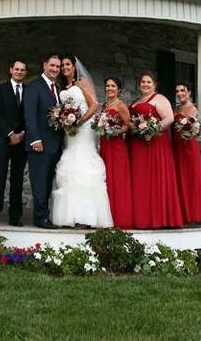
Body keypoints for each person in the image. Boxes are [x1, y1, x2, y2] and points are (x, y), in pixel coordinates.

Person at [50, 56, 112, 228]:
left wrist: (80, 121)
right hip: (69, 133)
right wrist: (64, 121)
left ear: (74, 67)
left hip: (84, 129)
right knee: (69, 168)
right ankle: (69, 216)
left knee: (83, 167)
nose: (64, 67)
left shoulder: (82, 83)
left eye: (67, 64)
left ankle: (86, 217)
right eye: (62, 65)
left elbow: (94, 105)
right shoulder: (61, 88)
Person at [129, 73, 183, 229]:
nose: (145, 84)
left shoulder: (160, 98)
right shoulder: (137, 101)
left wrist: (152, 131)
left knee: (155, 178)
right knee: (141, 180)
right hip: (138, 146)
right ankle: (142, 219)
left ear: (154, 84)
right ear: (139, 84)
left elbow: (169, 118)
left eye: (148, 82)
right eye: (143, 82)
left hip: (155, 144)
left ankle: (158, 218)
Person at [23, 54, 64, 229]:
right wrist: (35, 140)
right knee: (39, 182)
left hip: (55, 144)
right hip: (39, 144)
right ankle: (40, 218)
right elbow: (29, 115)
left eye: (58, 67)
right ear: (44, 65)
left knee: (47, 182)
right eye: (52, 65)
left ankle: (44, 215)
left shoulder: (57, 89)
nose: (55, 69)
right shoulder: (34, 86)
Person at [0, 59, 28, 227]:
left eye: (22, 70)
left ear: (25, 72)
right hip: (3, 139)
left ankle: (15, 216)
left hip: (22, 139)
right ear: (10, 70)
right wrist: (10, 134)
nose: (19, 72)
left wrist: (22, 133)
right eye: (16, 69)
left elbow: (30, 114)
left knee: (17, 179)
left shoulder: (29, 91)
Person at [99, 76, 133, 229]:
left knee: (118, 181)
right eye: (107, 86)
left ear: (118, 89)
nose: (110, 89)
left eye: (113, 86)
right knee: (107, 180)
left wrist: (116, 131)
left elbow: (128, 124)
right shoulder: (105, 105)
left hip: (117, 146)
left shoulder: (120, 105)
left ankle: (121, 218)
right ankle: (108, 217)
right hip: (106, 145)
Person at [173, 83, 201, 225]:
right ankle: (182, 213)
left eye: (183, 90)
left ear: (189, 92)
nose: (180, 93)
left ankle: (193, 215)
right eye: (177, 91)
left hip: (188, 147)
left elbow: (196, 129)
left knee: (190, 179)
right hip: (176, 147)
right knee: (179, 178)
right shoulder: (176, 109)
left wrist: (191, 129)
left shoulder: (193, 108)